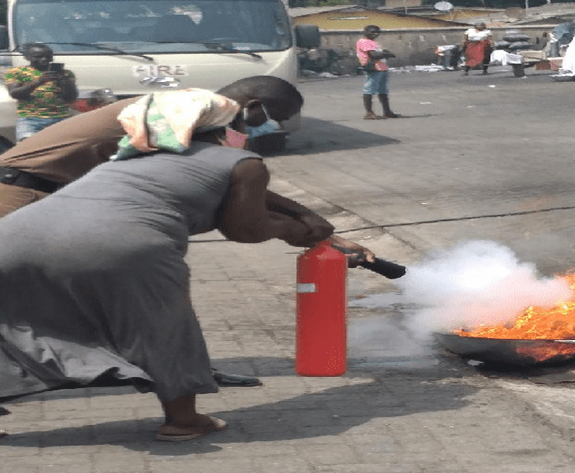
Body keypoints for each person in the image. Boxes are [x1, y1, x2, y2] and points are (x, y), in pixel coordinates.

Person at [0, 89, 373, 442]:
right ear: (226, 129)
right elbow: (245, 228)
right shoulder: (243, 162)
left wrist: (309, 222)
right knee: (162, 325)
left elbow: (239, 196)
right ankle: (183, 421)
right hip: (119, 245)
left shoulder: (132, 159)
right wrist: (295, 229)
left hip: (15, 235)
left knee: (12, 320)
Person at [3, 43, 78, 142]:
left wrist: (65, 81)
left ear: (52, 58)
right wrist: (39, 81)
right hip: (31, 119)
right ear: (27, 57)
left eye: (47, 57)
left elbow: (71, 97)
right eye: (38, 57)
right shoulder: (16, 72)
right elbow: (15, 94)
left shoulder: (66, 73)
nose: (43, 59)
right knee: (27, 147)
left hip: (61, 118)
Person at [356, 25, 400, 120]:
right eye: (372, 32)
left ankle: (387, 111)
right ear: (366, 32)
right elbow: (374, 54)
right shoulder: (363, 42)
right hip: (373, 68)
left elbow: (384, 52)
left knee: (383, 91)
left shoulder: (375, 43)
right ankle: (369, 112)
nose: (374, 34)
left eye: (376, 33)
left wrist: (385, 53)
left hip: (382, 68)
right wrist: (386, 54)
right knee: (369, 90)